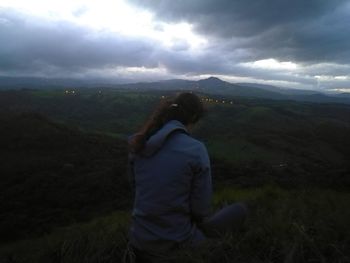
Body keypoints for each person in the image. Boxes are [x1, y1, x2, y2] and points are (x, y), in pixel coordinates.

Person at [126, 92, 247, 262]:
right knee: (239, 210)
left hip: (138, 241)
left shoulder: (139, 144)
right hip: (175, 245)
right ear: (194, 118)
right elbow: (201, 211)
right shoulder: (195, 150)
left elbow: (136, 189)